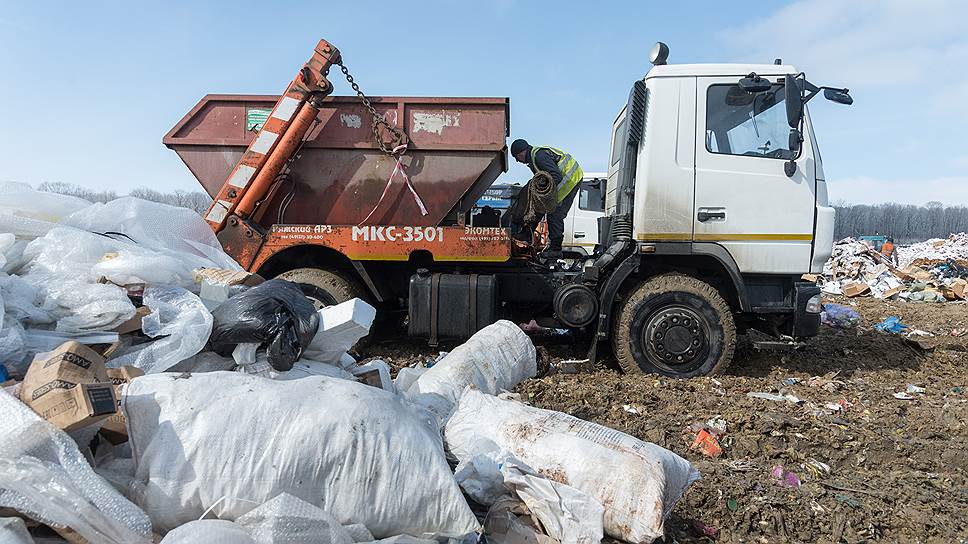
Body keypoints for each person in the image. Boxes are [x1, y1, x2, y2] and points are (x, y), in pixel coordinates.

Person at [509, 138, 583, 260]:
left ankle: (555, 249)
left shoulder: (539, 156)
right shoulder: (534, 158)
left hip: (569, 179)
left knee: (555, 213)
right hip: (566, 180)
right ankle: (527, 234)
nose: (518, 161)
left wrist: (541, 185)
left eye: (517, 157)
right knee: (541, 204)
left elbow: (556, 175)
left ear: (521, 152)